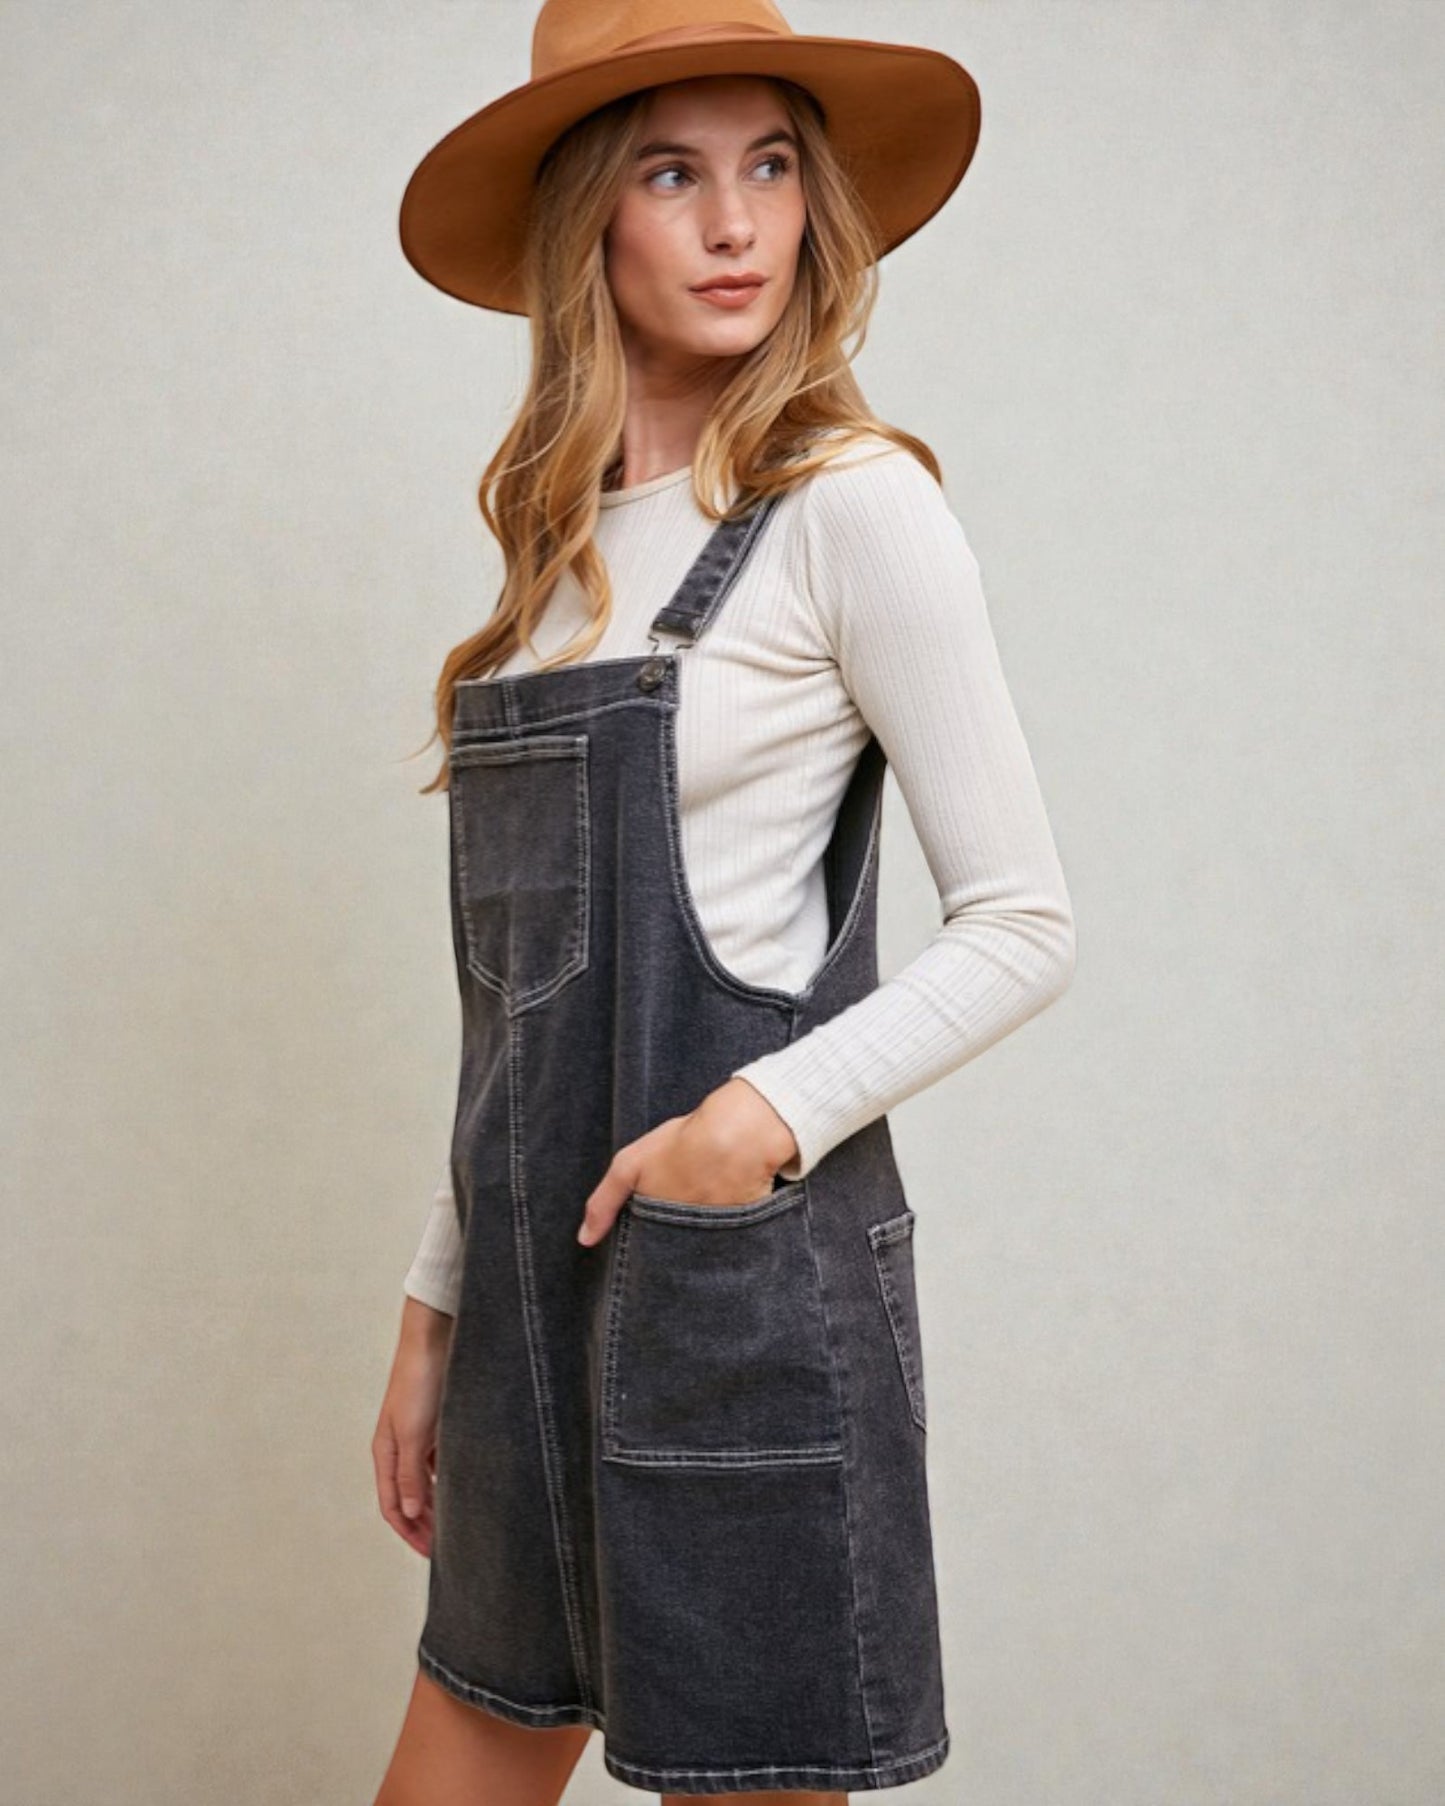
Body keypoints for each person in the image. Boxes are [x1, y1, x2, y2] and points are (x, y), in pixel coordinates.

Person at [371, 3, 1076, 1801]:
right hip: (527, 1307)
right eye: (671, 173)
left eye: (768, 165)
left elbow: (1022, 921)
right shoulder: (552, 553)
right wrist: (434, 1306)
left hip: (735, 1289)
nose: (735, 223)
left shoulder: (852, 506)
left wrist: (752, 1120)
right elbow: (507, 1010)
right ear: (586, 224)